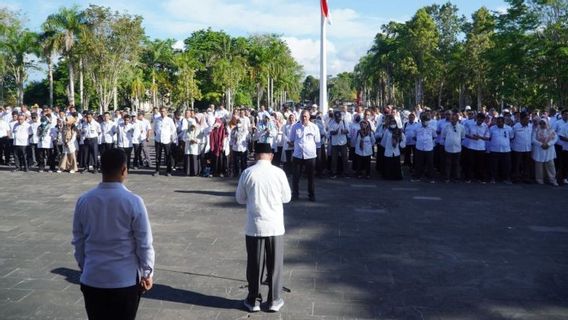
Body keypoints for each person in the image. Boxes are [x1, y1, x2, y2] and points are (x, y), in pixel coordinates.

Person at [72, 148, 155, 320]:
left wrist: (84, 266)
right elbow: (144, 243)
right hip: (124, 280)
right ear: (124, 169)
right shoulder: (133, 201)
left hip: (93, 277)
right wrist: (147, 272)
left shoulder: (84, 200)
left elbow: (78, 240)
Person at [235, 143, 291, 313]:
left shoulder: (248, 173)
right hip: (274, 225)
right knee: (275, 264)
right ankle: (274, 299)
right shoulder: (279, 173)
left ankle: (253, 300)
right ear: (271, 155)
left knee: (254, 264)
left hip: (255, 226)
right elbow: (287, 197)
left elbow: (240, 198)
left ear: (255, 155)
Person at [288, 110, 320, 201]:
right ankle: (295, 195)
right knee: (295, 177)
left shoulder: (314, 127)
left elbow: (317, 142)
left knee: (311, 177)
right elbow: (292, 139)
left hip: (310, 155)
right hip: (298, 155)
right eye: (302, 116)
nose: (304, 118)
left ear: (309, 117)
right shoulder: (295, 127)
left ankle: (311, 195)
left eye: (306, 116)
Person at [532, 117, 558, 186]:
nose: (542, 125)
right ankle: (539, 179)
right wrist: (541, 144)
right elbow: (533, 139)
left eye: (544, 123)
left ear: (546, 123)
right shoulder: (536, 130)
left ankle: (552, 179)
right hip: (539, 150)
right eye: (541, 123)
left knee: (551, 165)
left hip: (549, 150)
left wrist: (548, 144)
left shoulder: (551, 130)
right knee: (539, 166)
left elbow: (555, 139)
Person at [411, 114, 437, 183]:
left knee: (430, 164)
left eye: (427, 120)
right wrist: (420, 141)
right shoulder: (417, 127)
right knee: (419, 163)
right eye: (424, 120)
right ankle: (417, 177)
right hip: (419, 148)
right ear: (421, 121)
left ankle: (431, 178)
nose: (426, 122)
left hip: (429, 148)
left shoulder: (432, 128)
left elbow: (434, 136)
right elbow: (414, 137)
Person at [488, 117, 514, 184]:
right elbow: (489, 137)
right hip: (494, 150)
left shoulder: (509, 128)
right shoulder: (492, 128)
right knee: (493, 166)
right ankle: (493, 178)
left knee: (506, 166)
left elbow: (511, 138)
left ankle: (506, 178)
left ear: (503, 122)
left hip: (506, 150)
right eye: (498, 122)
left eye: (501, 122)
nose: (499, 123)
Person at [153, 107, 177, 176]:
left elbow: (173, 130)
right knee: (158, 156)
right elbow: (154, 129)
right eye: (161, 111)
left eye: (164, 111)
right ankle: (157, 170)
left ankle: (168, 171)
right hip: (158, 140)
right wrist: (156, 136)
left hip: (167, 140)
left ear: (166, 112)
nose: (162, 113)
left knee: (168, 156)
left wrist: (173, 139)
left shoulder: (169, 120)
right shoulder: (157, 120)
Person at [441, 112, 465, 182]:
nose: (453, 120)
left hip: (457, 148)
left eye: (455, 119)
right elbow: (444, 136)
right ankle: (447, 177)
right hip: (448, 148)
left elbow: (462, 137)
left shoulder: (461, 127)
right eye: (452, 119)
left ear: (457, 119)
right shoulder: (446, 126)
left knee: (457, 164)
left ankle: (456, 177)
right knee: (447, 163)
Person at [511, 112, 533, 183]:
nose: (527, 120)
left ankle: (526, 178)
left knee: (526, 164)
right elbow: (511, 137)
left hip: (528, 149)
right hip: (517, 149)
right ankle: (516, 177)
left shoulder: (530, 126)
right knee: (517, 164)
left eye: (528, 119)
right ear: (521, 119)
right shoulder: (515, 127)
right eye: (526, 119)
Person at [328, 111, 349, 178]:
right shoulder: (331, 122)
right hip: (335, 143)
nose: (338, 119)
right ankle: (334, 172)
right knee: (334, 159)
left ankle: (346, 172)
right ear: (334, 117)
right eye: (336, 118)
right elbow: (330, 132)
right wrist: (335, 132)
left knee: (345, 158)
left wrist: (344, 131)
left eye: (339, 117)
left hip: (343, 143)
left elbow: (348, 130)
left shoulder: (344, 122)